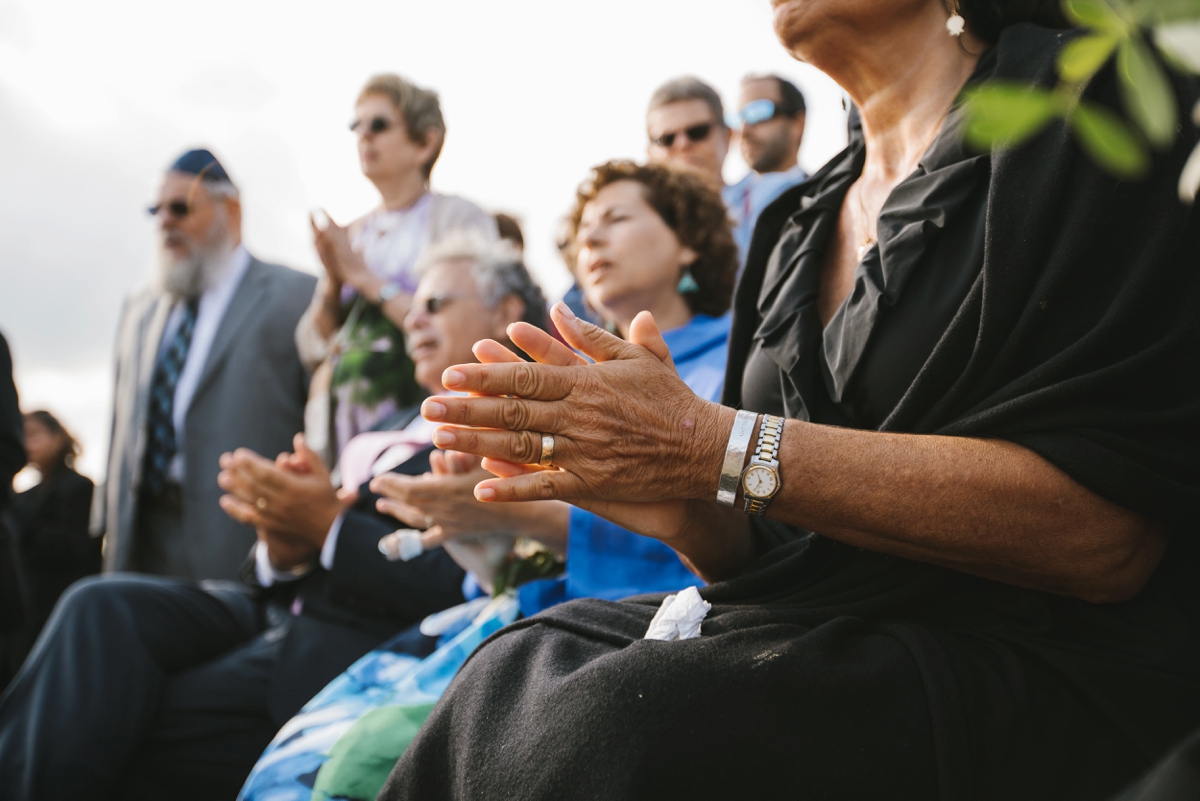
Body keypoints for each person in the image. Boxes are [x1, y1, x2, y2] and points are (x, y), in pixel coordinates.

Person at [383, 3, 1200, 800]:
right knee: (503, 675)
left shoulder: (1085, 109)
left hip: (1031, 656)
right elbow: (762, 546)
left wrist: (712, 446)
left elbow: (1107, 539)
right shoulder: (791, 225)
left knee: (619, 724)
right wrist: (681, 503)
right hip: (807, 627)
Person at [0, 238, 546, 801]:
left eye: (436, 304)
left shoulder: (521, 432)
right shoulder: (391, 422)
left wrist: (330, 529)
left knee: (130, 714)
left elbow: (476, 587)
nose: (413, 318)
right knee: (100, 605)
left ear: (505, 312)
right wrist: (283, 547)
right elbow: (315, 529)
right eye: (414, 307)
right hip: (271, 602)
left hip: (352, 638)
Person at [104, 148, 316, 581]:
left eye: (180, 208)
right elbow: (118, 420)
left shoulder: (296, 297)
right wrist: (104, 520)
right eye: (156, 210)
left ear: (231, 211)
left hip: (237, 540)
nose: (165, 221)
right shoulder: (139, 307)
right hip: (139, 537)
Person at [295, 73, 497, 464]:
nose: (364, 136)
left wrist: (364, 278)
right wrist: (333, 284)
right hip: (340, 439)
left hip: (424, 434)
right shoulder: (352, 233)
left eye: (379, 125)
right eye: (357, 125)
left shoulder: (458, 219)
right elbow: (311, 347)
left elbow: (469, 322)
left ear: (425, 142)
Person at [10, 412, 99, 644]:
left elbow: (71, 548)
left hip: (60, 607)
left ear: (58, 437)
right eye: (23, 436)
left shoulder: (78, 486)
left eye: (34, 435)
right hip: (31, 610)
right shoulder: (24, 496)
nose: (27, 444)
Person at [723, 73, 809, 268]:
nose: (744, 130)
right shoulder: (720, 202)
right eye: (739, 117)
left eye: (758, 112)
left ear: (797, 123)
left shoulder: (826, 198)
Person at [646, 76, 731, 193]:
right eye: (666, 139)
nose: (682, 144)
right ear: (650, 154)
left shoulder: (761, 204)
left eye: (697, 132)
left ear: (727, 136)